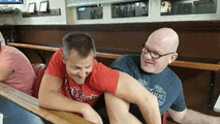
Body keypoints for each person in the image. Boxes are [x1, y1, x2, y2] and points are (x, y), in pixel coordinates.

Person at [38, 32, 161, 124]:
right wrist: (84, 108)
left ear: (93, 58)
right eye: (76, 68)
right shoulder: (59, 58)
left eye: (87, 67)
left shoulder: (100, 75)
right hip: (55, 115)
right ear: (64, 59)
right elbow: (44, 98)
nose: (82, 74)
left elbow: (148, 100)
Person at [105, 27, 220, 124]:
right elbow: (119, 118)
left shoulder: (174, 82)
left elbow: (182, 115)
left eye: (156, 53)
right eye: (146, 49)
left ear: (172, 58)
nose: (147, 56)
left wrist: (215, 121)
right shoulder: (125, 64)